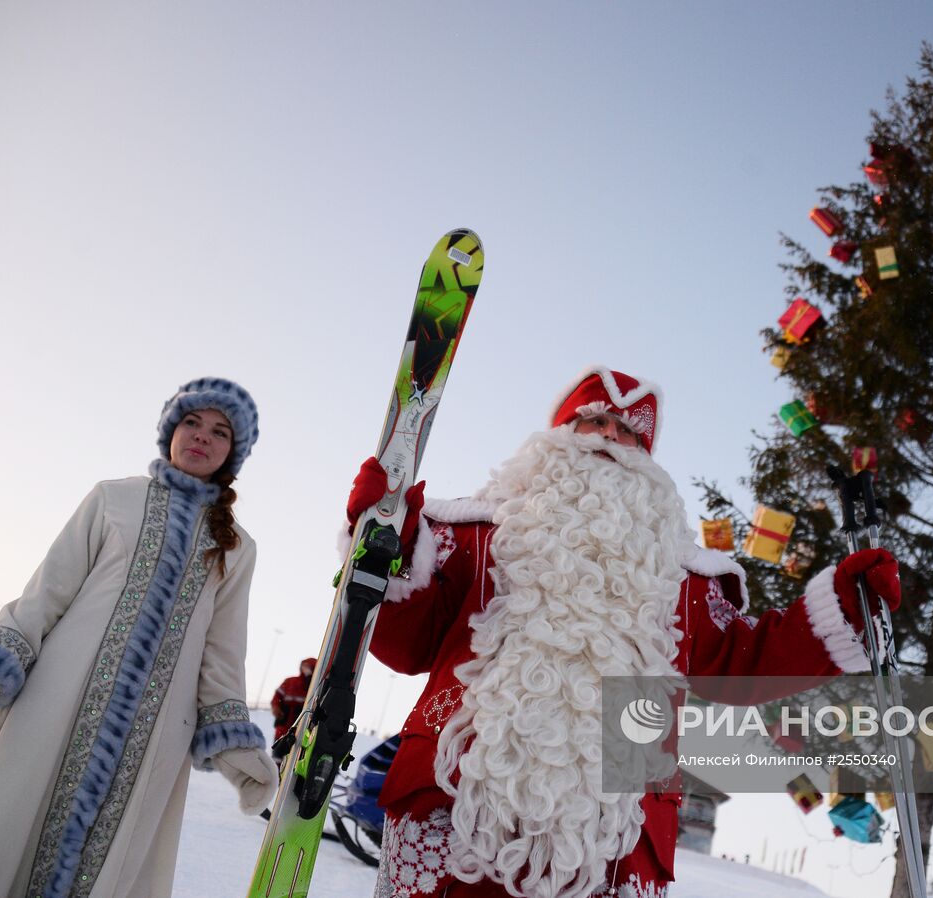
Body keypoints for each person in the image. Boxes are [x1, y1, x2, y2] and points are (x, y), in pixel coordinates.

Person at [345, 366, 902, 898]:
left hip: (611, 845)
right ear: (558, 435)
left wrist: (844, 609)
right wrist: (384, 542)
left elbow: (747, 665)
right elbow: (404, 641)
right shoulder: (468, 537)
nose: (611, 437)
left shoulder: (686, 582)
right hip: (453, 809)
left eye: (630, 431)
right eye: (595, 420)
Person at [0, 377, 278, 898]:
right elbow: (46, 594)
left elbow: (222, 652)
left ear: (232, 454)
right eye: (192, 421)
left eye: (220, 431)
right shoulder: (112, 499)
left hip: (154, 737)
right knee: (7, 829)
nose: (202, 437)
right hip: (56, 703)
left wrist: (234, 744)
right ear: (171, 428)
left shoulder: (236, 547)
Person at [270, 656, 317, 761]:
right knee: (277, 758)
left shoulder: (315, 689)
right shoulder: (290, 682)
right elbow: (277, 698)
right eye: (304, 666)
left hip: (302, 730)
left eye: (308, 667)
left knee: (294, 759)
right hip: (283, 727)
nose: (305, 670)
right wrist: (276, 707)